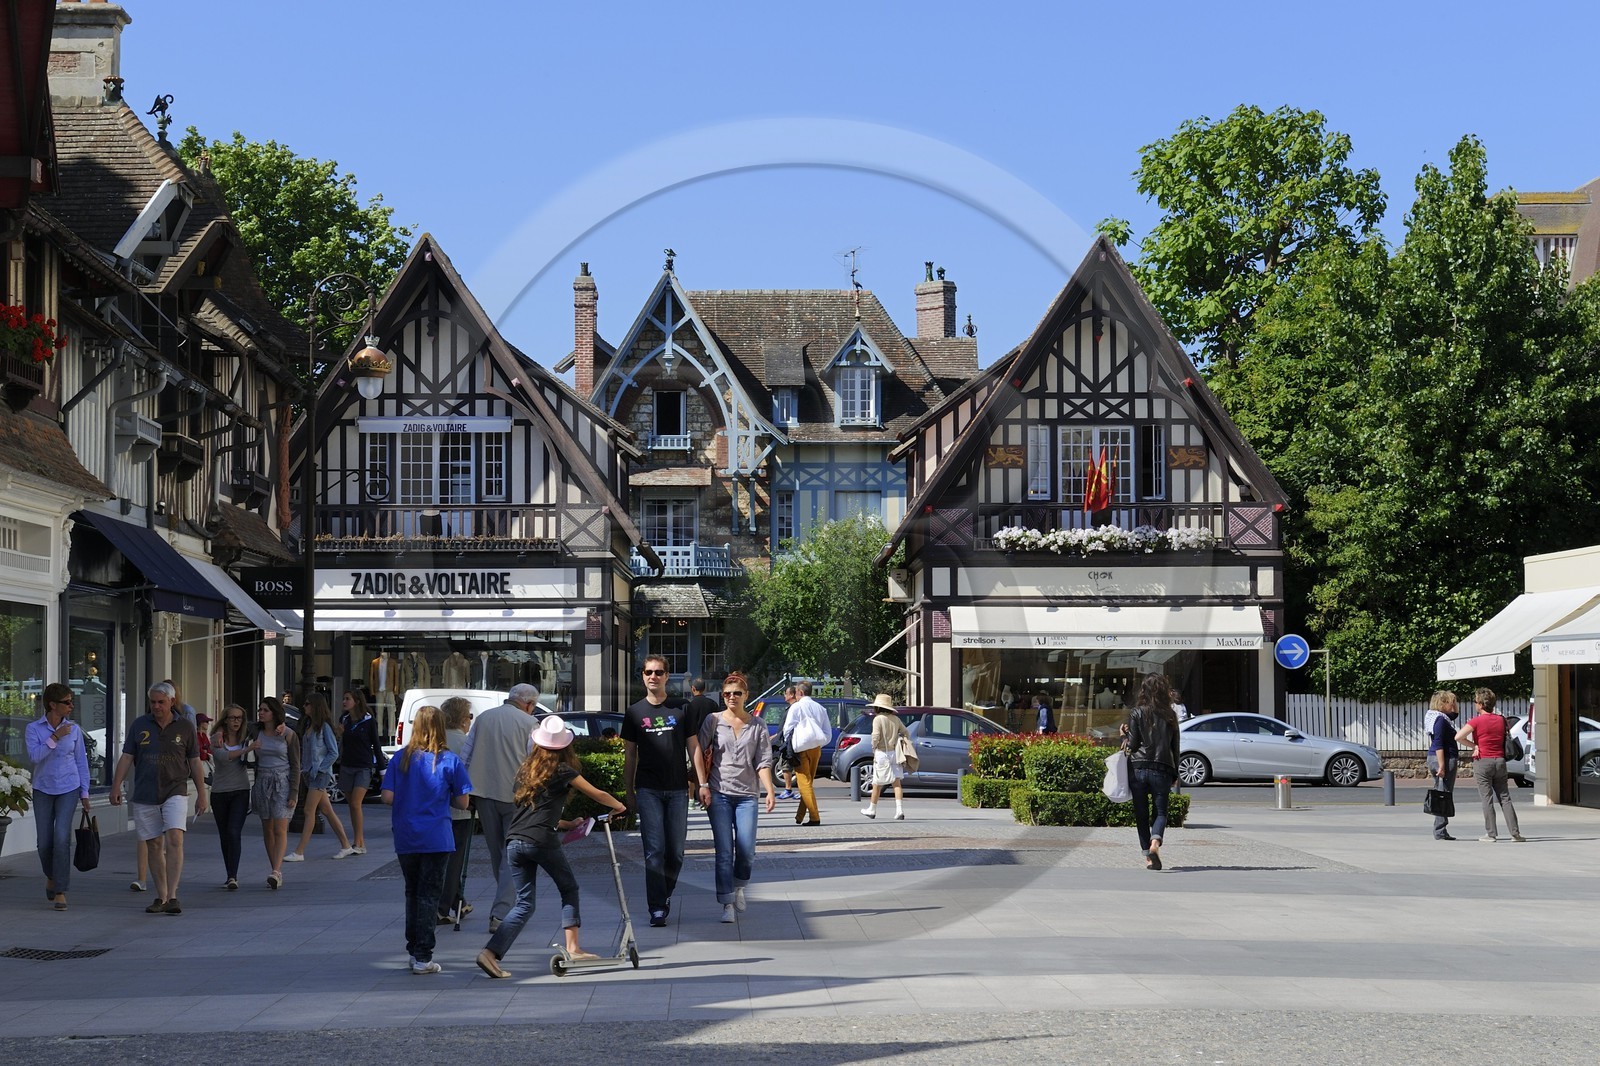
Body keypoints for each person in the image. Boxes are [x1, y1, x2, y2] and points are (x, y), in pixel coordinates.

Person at [475, 715, 626, 979]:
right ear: (565, 746)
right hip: (540, 841)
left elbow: (534, 811)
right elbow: (597, 794)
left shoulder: (527, 770)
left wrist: (567, 823)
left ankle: (490, 954)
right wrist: (620, 806)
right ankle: (574, 947)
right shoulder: (563, 770)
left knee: (524, 904)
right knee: (569, 888)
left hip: (515, 842)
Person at [381, 705, 472, 975]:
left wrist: (410, 800)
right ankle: (424, 955)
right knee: (430, 895)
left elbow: (387, 797)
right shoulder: (449, 760)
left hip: (407, 835)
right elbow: (463, 801)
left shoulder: (400, 759)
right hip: (437, 836)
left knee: (412, 892)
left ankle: (413, 950)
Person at [110, 681, 209, 914]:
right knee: (154, 844)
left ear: (172, 702)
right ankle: (161, 896)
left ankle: (173, 895)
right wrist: (116, 787)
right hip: (145, 792)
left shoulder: (185, 726)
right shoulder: (139, 725)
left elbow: (195, 762)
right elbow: (126, 757)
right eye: (153, 702)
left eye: (161, 702)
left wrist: (202, 794)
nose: (156, 706)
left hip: (175, 790)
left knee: (175, 837)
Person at [690, 671, 775, 923]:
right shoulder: (713, 720)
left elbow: (763, 761)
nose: (731, 697)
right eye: (727, 694)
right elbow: (699, 752)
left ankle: (739, 886)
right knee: (724, 851)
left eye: (737, 693)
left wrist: (770, 789)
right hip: (719, 793)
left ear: (746, 695)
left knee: (747, 850)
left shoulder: (757, 725)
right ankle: (726, 903)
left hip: (748, 795)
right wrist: (702, 785)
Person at [461, 682, 542, 932]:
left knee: (498, 853)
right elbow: (536, 762)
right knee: (512, 855)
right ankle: (501, 911)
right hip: (516, 796)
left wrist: (465, 789)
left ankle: (505, 904)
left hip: (483, 794)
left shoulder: (484, 718)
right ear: (528, 704)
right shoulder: (530, 724)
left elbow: (466, 755)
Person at [622, 656, 691, 928]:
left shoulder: (680, 709)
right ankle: (657, 907)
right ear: (643, 676)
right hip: (648, 788)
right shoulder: (634, 712)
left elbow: (693, 747)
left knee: (676, 852)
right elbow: (630, 755)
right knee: (654, 851)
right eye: (649, 672)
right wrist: (629, 792)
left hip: (677, 789)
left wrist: (699, 782)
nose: (654, 676)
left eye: (659, 672)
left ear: (666, 676)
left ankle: (665, 893)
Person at [24, 683, 93, 911]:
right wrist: (54, 737)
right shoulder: (34, 729)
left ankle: (60, 891)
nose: (71, 705)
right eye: (67, 702)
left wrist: (84, 793)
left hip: (68, 788)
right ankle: (51, 877)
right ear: (52, 705)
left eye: (72, 701)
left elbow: (81, 762)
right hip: (43, 789)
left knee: (61, 838)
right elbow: (35, 757)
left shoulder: (73, 730)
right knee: (44, 843)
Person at [1120, 674, 1180, 870]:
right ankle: (1155, 843)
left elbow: (1134, 744)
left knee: (1141, 813)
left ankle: (1147, 856)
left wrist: (1125, 735)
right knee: (1161, 812)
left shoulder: (1137, 712)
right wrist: (1175, 773)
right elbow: (1175, 747)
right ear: (1164, 691)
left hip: (1138, 768)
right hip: (1163, 767)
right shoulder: (1170, 715)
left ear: (1143, 691)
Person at [286, 693, 355, 861]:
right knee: (327, 810)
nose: (304, 706)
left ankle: (299, 851)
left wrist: (321, 769)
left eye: (308, 704)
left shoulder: (324, 727)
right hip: (310, 773)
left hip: (320, 775)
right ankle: (346, 845)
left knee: (309, 810)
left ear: (315, 706)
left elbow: (333, 752)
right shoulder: (310, 725)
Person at [1456, 687, 1525, 843]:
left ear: (1480, 704)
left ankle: (1491, 834)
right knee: (1505, 798)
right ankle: (1515, 833)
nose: (1474, 704)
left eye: (1475, 702)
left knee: (1486, 799)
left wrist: (1474, 745)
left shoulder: (1476, 721)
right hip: (1500, 761)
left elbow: (1458, 736)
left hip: (1483, 761)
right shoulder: (1502, 720)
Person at [250, 697, 300, 889]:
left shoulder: (287, 734)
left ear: (274, 712)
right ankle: (275, 870)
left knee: (280, 828)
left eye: (265, 710)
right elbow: (234, 725)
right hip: (263, 781)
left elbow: (296, 764)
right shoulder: (256, 731)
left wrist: (294, 792)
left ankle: (276, 871)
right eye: (260, 709)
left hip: (282, 782)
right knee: (267, 829)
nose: (261, 713)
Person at [437, 696, 475, 924]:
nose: (470, 721)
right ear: (462, 719)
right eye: (469, 717)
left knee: (445, 858)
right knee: (455, 861)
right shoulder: (466, 742)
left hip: (439, 809)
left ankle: (458, 901)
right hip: (461, 809)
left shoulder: (438, 740)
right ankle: (443, 907)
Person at [208, 704, 252, 890]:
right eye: (232, 718)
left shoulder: (248, 737)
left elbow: (269, 726)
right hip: (219, 793)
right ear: (225, 719)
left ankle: (233, 876)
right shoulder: (216, 739)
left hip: (240, 791)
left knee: (234, 832)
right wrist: (245, 750)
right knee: (225, 835)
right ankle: (229, 874)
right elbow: (224, 757)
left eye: (239, 718)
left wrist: (282, 727)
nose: (236, 721)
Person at [338, 688, 382, 855]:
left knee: (356, 803)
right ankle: (360, 841)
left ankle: (358, 843)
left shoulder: (369, 720)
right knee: (352, 805)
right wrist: (339, 733)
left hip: (364, 766)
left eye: (347, 698)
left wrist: (382, 770)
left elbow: (376, 745)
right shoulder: (344, 719)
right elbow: (341, 740)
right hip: (347, 764)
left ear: (356, 701)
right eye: (344, 698)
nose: (344, 702)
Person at [783, 681, 830, 826]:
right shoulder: (820, 708)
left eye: (796, 692)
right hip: (816, 748)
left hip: (801, 747)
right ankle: (800, 815)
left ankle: (815, 817)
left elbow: (788, 728)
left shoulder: (796, 707)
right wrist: (819, 742)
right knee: (808, 783)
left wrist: (788, 745)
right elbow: (827, 732)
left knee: (804, 782)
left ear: (800, 693)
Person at [860, 693, 909, 821]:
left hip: (882, 753)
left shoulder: (878, 719)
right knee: (896, 782)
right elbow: (906, 732)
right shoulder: (895, 719)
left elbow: (875, 736)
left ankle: (872, 809)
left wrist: (874, 746)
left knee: (877, 782)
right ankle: (899, 810)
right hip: (895, 753)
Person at [1425, 690, 1461, 841]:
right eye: (1450, 702)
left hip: (1439, 757)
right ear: (1442, 704)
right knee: (1444, 795)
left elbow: (1454, 715)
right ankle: (1440, 830)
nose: (1453, 705)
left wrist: (1455, 706)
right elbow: (1439, 743)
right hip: (1443, 758)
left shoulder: (1437, 717)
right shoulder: (1440, 720)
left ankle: (1441, 828)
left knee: (1442, 793)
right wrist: (1442, 766)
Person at [772, 685, 799, 800]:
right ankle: (791, 790)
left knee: (787, 766)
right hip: (785, 740)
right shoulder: (790, 708)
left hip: (789, 742)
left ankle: (789, 790)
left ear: (792, 695)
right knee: (786, 766)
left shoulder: (794, 708)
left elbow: (789, 727)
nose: (784, 695)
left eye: (786, 693)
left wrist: (782, 738)